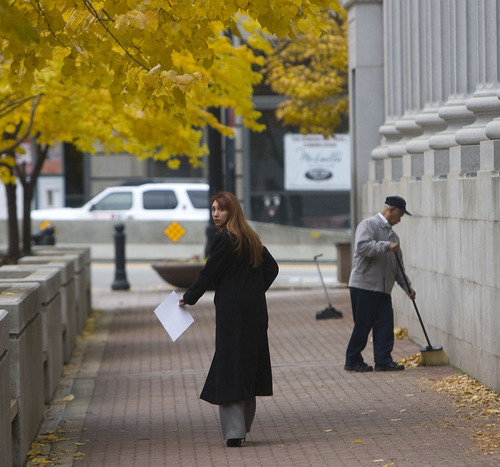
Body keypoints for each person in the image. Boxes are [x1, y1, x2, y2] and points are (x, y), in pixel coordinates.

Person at [179, 191, 279, 447]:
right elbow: (272, 268)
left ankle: (235, 433)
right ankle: (241, 426)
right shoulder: (251, 237)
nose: (215, 214)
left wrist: (188, 298)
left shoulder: (225, 240)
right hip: (255, 313)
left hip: (233, 316)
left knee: (230, 366)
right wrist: (253, 292)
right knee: (247, 365)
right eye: (213, 209)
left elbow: (209, 273)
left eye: (220, 209)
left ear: (231, 211)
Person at [344, 196, 416, 373]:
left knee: (385, 325)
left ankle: (383, 360)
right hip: (363, 286)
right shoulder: (368, 225)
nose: (399, 220)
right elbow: (362, 247)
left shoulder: (394, 236)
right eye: (399, 215)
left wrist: (408, 288)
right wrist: (385, 246)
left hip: (383, 289)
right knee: (363, 325)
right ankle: (352, 360)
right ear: (390, 210)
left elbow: (398, 268)